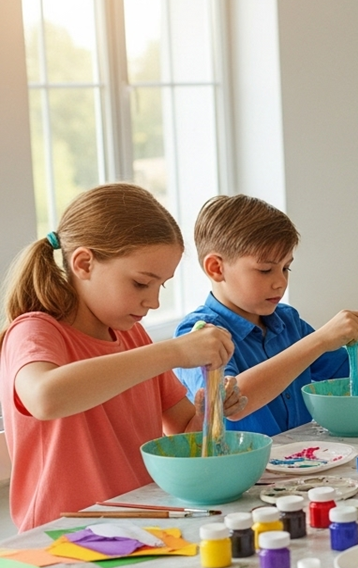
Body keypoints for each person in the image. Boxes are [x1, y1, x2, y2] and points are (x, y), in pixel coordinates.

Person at [0, 184, 246, 531]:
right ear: (84, 263)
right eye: (141, 283)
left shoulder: (133, 336)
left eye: (162, 285)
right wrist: (172, 352)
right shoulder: (34, 331)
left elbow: (181, 432)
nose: (154, 301)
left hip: (139, 522)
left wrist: (208, 411)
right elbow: (46, 397)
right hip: (63, 537)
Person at [175, 194, 358, 436]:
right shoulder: (197, 333)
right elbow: (229, 403)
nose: (280, 282)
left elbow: (356, 384)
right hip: (246, 470)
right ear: (216, 268)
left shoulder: (287, 322)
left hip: (302, 460)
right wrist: (319, 341)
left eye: (286, 267)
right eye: (265, 270)